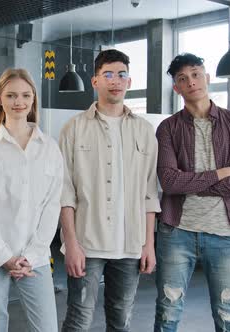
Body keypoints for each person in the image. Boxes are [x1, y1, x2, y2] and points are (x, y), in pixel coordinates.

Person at [154, 53, 230, 332]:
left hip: (225, 234)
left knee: (228, 317)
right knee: (167, 313)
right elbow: (170, 182)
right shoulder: (168, 128)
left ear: (207, 77)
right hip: (177, 232)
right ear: (176, 88)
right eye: (182, 79)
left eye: (196, 74)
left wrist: (193, 182)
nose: (191, 82)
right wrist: (222, 173)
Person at [59, 49, 161, 332]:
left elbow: (150, 193)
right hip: (86, 244)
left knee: (121, 321)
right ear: (95, 81)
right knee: (78, 320)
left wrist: (148, 244)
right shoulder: (73, 128)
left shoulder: (144, 131)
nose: (115, 81)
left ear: (129, 82)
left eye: (121, 75)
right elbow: (64, 192)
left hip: (130, 246)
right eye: (108, 75)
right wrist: (70, 245)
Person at [0, 68, 63, 332]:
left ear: (33, 99)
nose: (18, 102)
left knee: (46, 328)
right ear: (0, 98)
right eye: (11, 95)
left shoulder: (50, 148)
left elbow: (51, 205)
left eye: (24, 95)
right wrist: (5, 255)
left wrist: (30, 256)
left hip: (36, 256)